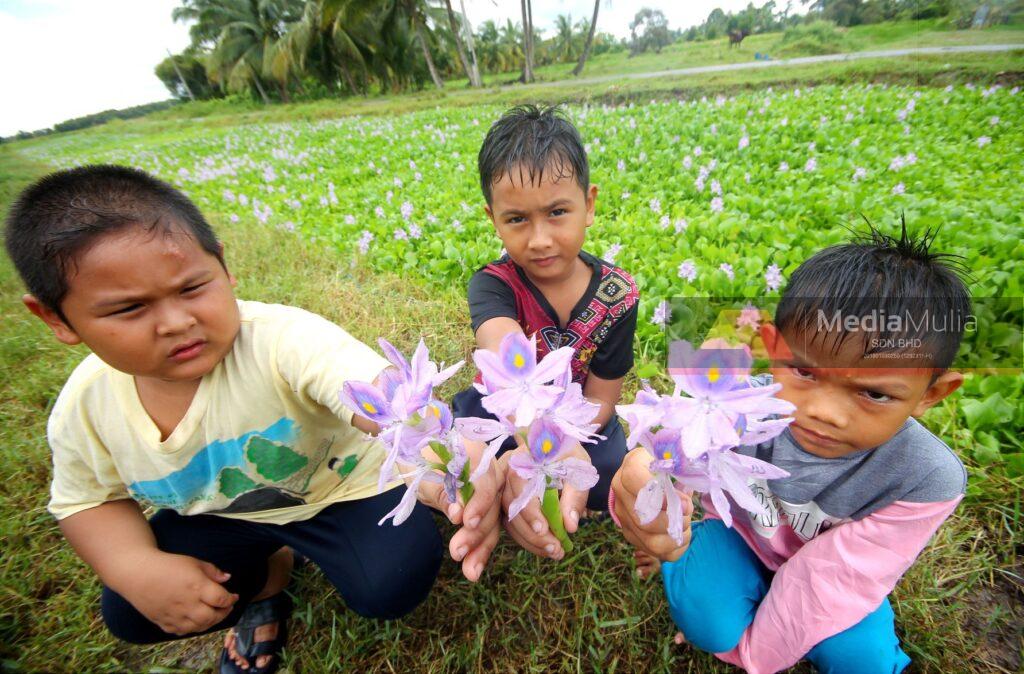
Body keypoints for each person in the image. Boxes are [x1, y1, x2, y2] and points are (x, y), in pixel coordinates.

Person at [4, 165, 501, 674]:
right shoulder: (84, 408)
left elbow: (366, 385)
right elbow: (87, 501)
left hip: (345, 488)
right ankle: (271, 579)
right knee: (132, 612)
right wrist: (134, 568)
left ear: (221, 263)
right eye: (129, 308)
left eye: (193, 287)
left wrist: (438, 435)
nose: (177, 322)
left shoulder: (282, 338)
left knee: (389, 586)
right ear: (56, 318)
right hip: (226, 517)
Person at [611, 224, 970, 673]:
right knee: (709, 626)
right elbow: (664, 443)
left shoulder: (928, 478)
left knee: (865, 663)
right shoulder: (735, 406)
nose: (825, 413)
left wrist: (756, 657)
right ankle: (687, 563)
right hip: (738, 536)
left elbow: (831, 577)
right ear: (773, 348)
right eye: (803, 371)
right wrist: (643, 471)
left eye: (875, 394)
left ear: (932, 394)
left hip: (841, 575)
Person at [452, 104, 639, 561]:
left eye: (557, 212)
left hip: (578, 415)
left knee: (611, 470)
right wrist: (533, 450)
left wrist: (559, 445)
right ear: (493, 217)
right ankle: (499, 487)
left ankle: (519, 487)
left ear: (589, 205)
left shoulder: (618, 294)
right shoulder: (492, 283)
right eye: (516, 219)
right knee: (462, 463)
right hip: (505, 407)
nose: (539, 239)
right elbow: (503, 353)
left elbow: (602, 398)